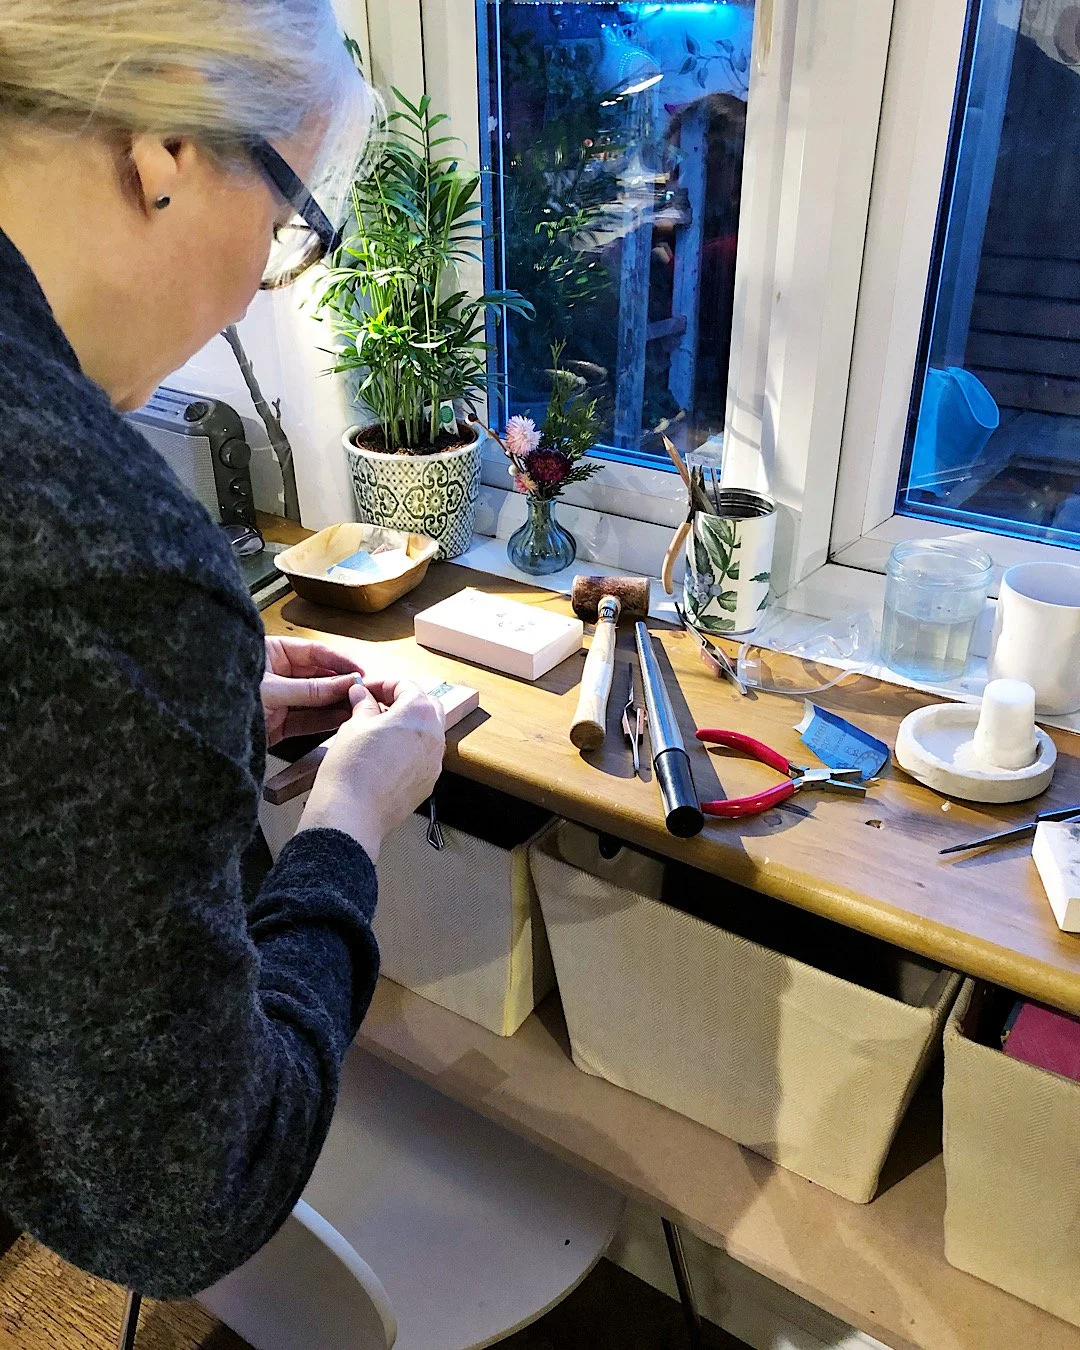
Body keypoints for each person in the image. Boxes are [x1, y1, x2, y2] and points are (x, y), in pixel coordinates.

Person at [0, 0, 446, 1300]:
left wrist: (181, 712)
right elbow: (198, 1187)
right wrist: (351, 818)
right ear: (167, 140)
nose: (260, 281)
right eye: (291, 217)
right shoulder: (101, 555)